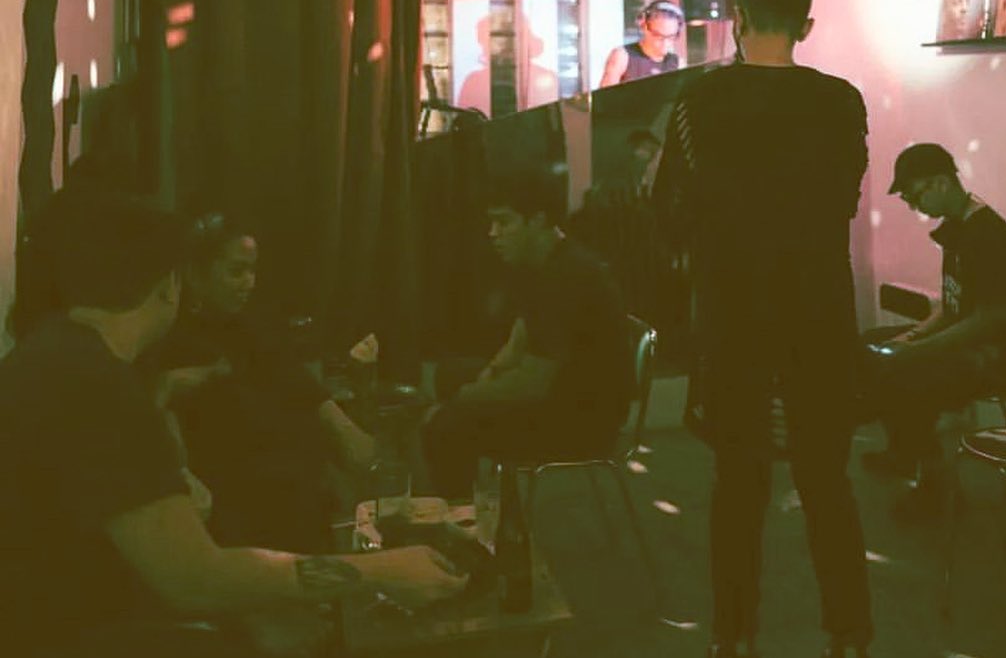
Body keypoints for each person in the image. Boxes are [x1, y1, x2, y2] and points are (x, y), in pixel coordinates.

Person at [0, 187, 465, 658]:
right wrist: (383, 571)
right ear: (168, 285)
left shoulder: (57, 352)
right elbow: (195, 578)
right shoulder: (96, 385)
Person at [654, 0, 871, 658]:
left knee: (739, 483)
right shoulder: (842, 101)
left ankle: (734, 636)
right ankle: (850, 635)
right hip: (819, 311)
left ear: (738, 20)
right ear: (806, 25)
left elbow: (669, 212)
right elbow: (844, 200)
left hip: (733, 312)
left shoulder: (699, 100)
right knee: (827, 480)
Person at [148, 215, 377, 552]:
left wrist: (342, 427)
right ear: (195, 275)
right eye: (236, 271)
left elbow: (296, 381)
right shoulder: (168, 337)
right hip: (229, 492)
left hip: (290, 484)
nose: (249, 283)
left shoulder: (251, 324)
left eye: (252, 271)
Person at [421, 164, 632, 499]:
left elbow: (533, 383)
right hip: (562, 390)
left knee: (447, 426)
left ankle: (459, 519)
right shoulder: (541, 262)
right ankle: (474, 507)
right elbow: (519, 339)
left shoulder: (567, 276)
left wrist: (460, 401)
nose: (492, 233)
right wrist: (487, 376)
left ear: (538, 220)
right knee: (450, 375)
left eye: (504, 222)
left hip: (584, 418)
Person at [862, 143, 1006, 509]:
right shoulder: (956, 228)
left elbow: (990, 319)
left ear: (941, 183)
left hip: (999, 356)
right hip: (973, 341)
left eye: (915, 196)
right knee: (874, 344)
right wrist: (911, 336)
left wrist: (919, 349)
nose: (914, 207)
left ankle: (933, 485)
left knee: (908, 372)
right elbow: (951, 306)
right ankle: (904, 453)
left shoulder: (988, 236)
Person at [599, 0, 684, 87]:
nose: (665, 43)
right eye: (658, 36)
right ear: (644, 27)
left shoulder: (677, 63)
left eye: (671, 37)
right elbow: (604, 95)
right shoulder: (622, 56)